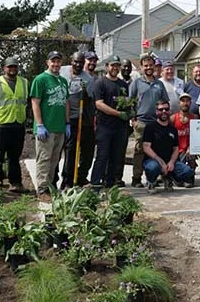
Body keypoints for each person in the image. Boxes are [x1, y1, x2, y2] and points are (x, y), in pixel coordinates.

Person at [0, 56, 29, 193]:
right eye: (10, 67)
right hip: (0, 125)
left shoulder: (24, 82)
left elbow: (28, 103)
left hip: (18, 124)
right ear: (4, 68)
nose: (12, 69)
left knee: (15, 156)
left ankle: (15, 183)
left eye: (15, 66)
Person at [29, 51, 70, 196]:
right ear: (48, 62)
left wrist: (67, 123)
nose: (56, 64)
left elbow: (65, 103)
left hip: (59, 127)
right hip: (46, 128)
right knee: (44, 158)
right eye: (53, 61)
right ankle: (42, 188)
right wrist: (40, 125)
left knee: (55, 159)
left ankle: (50, 186)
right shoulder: (40, 80)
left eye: (58, 61)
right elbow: (35, 103)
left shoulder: (63, 81)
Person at [128, 55, 169, 188]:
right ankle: (136, 178)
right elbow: (130, 102)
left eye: (150, 65)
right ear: (141, 68)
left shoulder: (159, 84)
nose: (148, 68)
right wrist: (133, 119)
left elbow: (165, 102)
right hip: (141, 122)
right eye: (145, 65)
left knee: (155, 150)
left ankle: (153, 177)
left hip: (156, 123)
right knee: (139, 151)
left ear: (154, 66)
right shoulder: (137, 83)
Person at [91, 56, 132, 188]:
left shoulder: (123, 84)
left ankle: (110, 184)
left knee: (116, 157)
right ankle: (96, 184)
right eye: (112, 65)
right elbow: (99, 104)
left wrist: (130, 111)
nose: (115, 68)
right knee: (102, 156)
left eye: (117, 65)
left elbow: (126, 101)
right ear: (107, 66)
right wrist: (118, 114)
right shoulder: (100, 83)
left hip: (120, 127)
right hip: (105, 126)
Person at [59, 51, 95, 189]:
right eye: (75, 61)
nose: (78, 64)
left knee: (79, 150)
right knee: (66, 150)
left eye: (81, 62)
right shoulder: (62, 71)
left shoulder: (88, 79)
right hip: (63, 117)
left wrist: (85, 96)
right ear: (71, 61)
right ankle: (63, 179)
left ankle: (74, 178)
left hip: (78, 118)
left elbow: (89, 100)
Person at [142, 100, 195, 191]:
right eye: (161, 109)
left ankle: (169, 178)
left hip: (169, 160)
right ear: (156, 111)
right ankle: (151, 181)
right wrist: (160, 161)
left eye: (166, 109)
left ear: (169, 111)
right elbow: (146, 147)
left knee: (188, 171)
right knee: (152, 168)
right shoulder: (150, 127)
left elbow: (176, 148)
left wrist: (171, 162)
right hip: (153, 160)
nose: (164, 112)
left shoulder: (172, 128)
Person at [172, 92, 199, 188]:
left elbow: (197, 136)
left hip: (188, 149)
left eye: (187, 101)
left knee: (192, 155)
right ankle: (174, 177)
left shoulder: (194, 118)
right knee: (178, 178)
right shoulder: (173, 118)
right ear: (179, 103)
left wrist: (191, 147)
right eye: (183, 101)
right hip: (176, 151)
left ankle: (190, 177)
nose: (185, 103)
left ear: (190, 103)